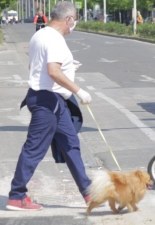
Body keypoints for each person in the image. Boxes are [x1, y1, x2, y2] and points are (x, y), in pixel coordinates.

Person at [6, 1, 92, 211]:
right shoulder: (55, 40)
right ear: (68, 19)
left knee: (71, 144)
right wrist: (78, 90)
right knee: (34, 148)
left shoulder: (40, 35)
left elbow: (35, 65)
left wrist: (69, 67)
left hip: (51, 100)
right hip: (48, 100)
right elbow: (53, 71)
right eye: (75, 19)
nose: (75, 23)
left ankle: (89, 193)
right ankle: (17, 196)